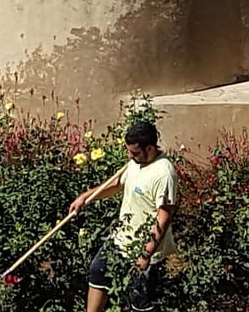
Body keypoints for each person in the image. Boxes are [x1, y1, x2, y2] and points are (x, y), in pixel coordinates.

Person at [67, 120, 177, 312]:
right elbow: (117, 185)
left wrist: (145, 254)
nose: (129, 156)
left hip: (145, 248)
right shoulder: (136, 162)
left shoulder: (164, 173)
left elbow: (164, 217)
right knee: (97, 271)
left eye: (134, 152)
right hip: (121, 238)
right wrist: (86, 198)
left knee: (139, 301)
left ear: (150, 147)